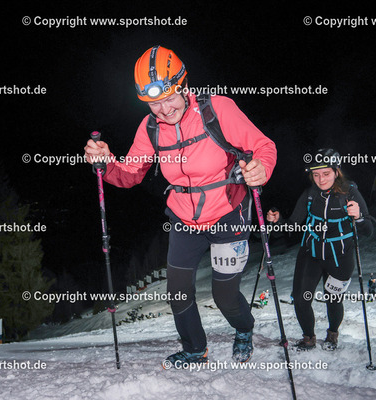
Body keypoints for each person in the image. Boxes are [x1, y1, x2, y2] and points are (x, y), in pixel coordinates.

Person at [84, 46, 277, 365]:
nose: (163, 109)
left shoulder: (217, 109)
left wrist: (262, 168)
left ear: (184, 85)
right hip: (184, 219)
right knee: (177, 292)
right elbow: (130, 174)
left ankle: (244, 328)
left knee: (224, 295)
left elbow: (263, 146)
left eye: (169, 98)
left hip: (228, 213)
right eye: (153, 103)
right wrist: (106, 163)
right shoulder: (150, 127)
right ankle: (195, 349)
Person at [266, 148, 373, 351]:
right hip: (311, 253)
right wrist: (278, 220)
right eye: (316, 175)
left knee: (333, 300)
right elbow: (292, 225)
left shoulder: (350, 193)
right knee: (300, 299)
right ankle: (308, 338)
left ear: (336, 172)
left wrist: (359, 216)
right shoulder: (310, 194)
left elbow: (368, 230)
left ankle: (332, 334)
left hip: (340, 257)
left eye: (325, 173)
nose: (320, 179)